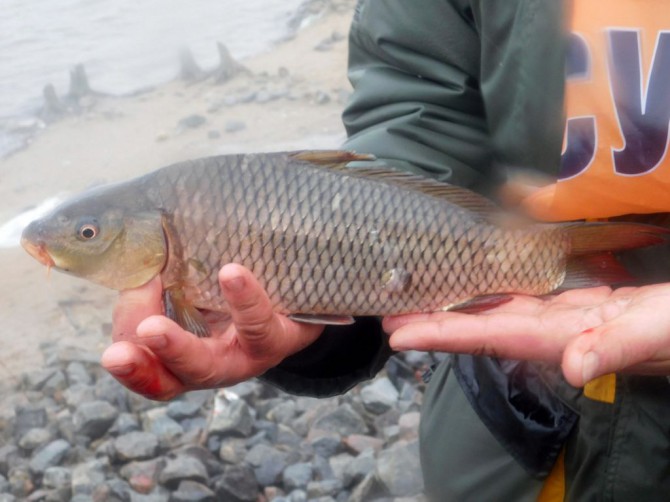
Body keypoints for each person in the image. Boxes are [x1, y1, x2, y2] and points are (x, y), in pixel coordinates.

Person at [103, 0, 670, 499]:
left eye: (90, 235)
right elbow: (423, 115)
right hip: (528, 423)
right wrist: (319, 331)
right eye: (91, 235)